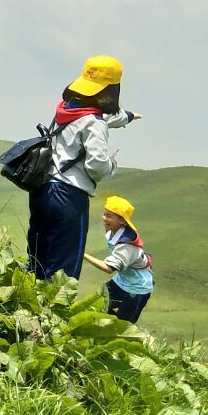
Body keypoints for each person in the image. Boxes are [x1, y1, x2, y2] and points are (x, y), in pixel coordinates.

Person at [28, 55, 141, 280]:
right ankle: (51, 314)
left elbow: (103, 119)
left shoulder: (65, 110)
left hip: (42, 190)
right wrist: (112, 165)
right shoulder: (94, 123)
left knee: (38, 261)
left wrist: (128, 117)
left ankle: (23, 310)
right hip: (69, 196)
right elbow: (97, 165)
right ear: (112, 89)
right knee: (63, 274)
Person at [83, 194, 154, 323]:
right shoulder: (113, 231)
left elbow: (109, 268)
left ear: (122, 220)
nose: (104, 218)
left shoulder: (126, 244)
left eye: (109, 216)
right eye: (104, 214)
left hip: (137, 288)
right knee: (95, 307)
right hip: (121, 281)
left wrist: (83, 254)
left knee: (122, 327)